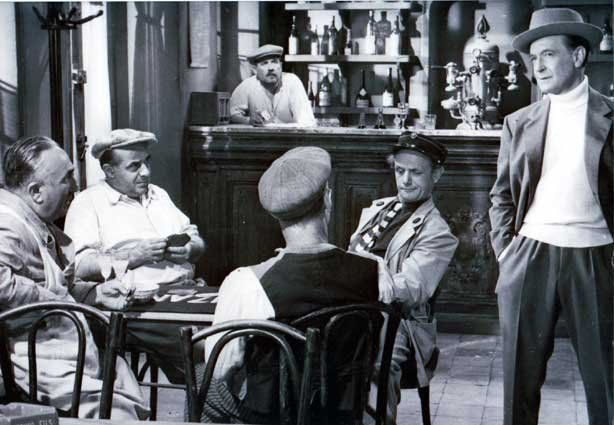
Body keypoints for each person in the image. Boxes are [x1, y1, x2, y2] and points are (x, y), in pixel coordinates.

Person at [202, 146, 405, 424]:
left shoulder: (247, 282)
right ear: (328, 199)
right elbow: (377, 355)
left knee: (202, 381)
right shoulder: (373, 270)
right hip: (345, 415)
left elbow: (222, 369)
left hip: (272, 418)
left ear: (275, 215)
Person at [489, 8, 613, 425]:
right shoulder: (519, 122)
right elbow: (501, 195)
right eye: (533, 57)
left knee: (606, 382)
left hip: (594, 257)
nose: (537, 66)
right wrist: (506, 252)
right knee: (518, 385)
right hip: (529, 256)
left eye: (548, 54)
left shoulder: (611, 116)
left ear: (578, 56)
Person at [0, 136, 148, 419]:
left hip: (65, 355)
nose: (76, 186)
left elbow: (52, 283)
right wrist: (55, 301)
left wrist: (94, 294)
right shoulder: (7, 222)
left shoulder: (32, 220)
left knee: (122, 376)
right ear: (36, 192)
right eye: (67, 178)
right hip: (36, 366)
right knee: (119, 412)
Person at [64, 128, 206, 384]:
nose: (146, 172)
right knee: (211, 347)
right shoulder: (88, 203)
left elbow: (195, 239)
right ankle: (212, 398)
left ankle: (214, 391)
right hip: (135, 308)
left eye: (147, 162)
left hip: (186, 294)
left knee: (242, 328)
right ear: (109, 171)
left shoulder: (158, 195)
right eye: (135, 166)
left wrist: (189, 249)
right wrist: (133, 256)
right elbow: (79, 267)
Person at [348, 132, 458, 424]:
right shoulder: (377, 209)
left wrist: (356, 281)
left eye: (416, 173)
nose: (405, 180)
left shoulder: (437, 233)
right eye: (400, 171)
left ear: (436, 175)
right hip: (355, 308)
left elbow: (409, 289)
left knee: (375, 361)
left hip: (400, 323)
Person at [229, 44, 316, 127]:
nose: (271, 68)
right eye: (264, 63)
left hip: (290, 136)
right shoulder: (247, 86)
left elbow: (306, 121)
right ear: (255, 70)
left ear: (280, 66)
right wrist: (248, 120)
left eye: (274, 62)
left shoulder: (292, 81)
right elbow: (232, 115)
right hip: (260, 137)